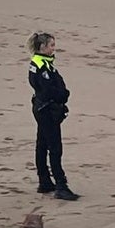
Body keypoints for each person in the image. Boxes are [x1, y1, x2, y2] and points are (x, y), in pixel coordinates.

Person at [26, 32, 79, 201]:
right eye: (51, 45)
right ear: (42, 47)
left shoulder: (45, 63)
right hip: (46, 110)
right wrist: (62, 95)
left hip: (44, 108)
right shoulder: (40, 65)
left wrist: (62, 93)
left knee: (42, 144)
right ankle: (61, 186)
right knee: (54, 148)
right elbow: (49, 89)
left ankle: (45, 181)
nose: (54, 48)